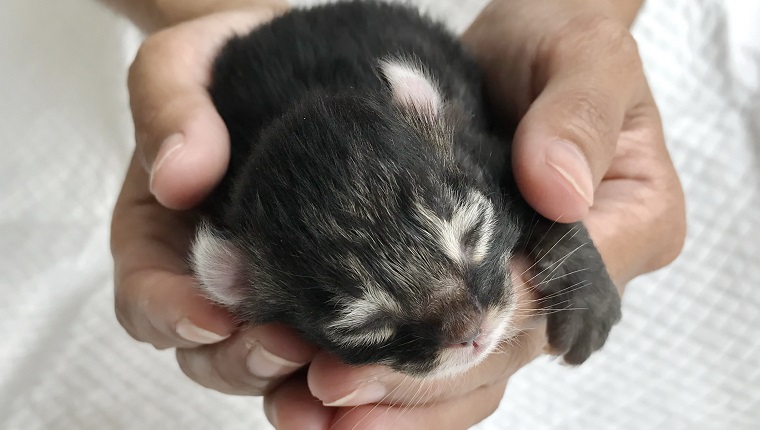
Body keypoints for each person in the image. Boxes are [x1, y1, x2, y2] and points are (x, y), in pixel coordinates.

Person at [106, 0, 686, 428]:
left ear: (441, 121)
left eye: (469, 238)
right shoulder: (251, 238)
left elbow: (509, 170)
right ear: (243, 287)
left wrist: (569, 250)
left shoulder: (445, 144)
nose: (469, 329)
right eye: (367, 321)